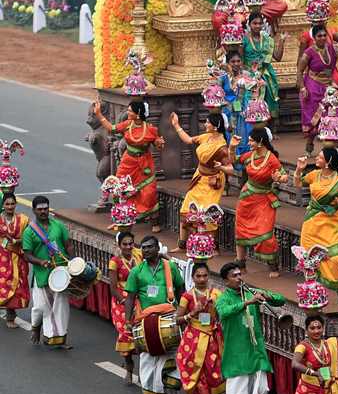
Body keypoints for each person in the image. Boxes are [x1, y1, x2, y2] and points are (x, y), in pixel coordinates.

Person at [216, 260, 283, 394]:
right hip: (236, 354)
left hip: (255, 352)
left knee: (261, 390)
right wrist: (247, 303)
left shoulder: (251, 292)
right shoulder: (224, 298)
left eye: (240, 275)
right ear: (226, 281)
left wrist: (267, 296)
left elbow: (281, 299)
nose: (239, 278)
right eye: (234, 276)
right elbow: (224, 313)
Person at [124, 235, 187, 394]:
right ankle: (150, 392)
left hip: (168, 317)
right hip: (147, 321)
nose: (145, 250)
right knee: (148, 357)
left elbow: (181, 289)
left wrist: (183, 313)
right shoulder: (136, 272)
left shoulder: (170, 267)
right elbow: (130, 297)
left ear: (157, 249)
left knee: (174, 356)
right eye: (143, 248)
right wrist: (128, 321)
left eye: (149, 247)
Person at [293, 147, 338, 304]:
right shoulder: (314, 175)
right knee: (309, 257)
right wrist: (298, 169)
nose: (316, 159)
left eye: (320, 157)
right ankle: (313, 291)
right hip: (312, 221)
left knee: (334, 257)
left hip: (331, 221)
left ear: (328, 161)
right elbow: (298, 184)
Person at [90, 100, 164, 231]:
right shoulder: (127, 125)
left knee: (148, 192)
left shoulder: (150, 129)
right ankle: (120, 219)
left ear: (138, 113)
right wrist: (99, 114)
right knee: (119, 190)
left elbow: (158, 144)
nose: (128, 112)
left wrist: (160, 143)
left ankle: (154, 222)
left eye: (130, 110)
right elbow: (111, 128)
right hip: (127, 162)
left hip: (144, 164)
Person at [223, 127, 288, 275]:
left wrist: (279, 179)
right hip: (247, 197)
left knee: (265, 233)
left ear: (260, 142)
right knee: (241, 230)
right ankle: (241, 264)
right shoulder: (250, 155)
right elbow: (234, 161)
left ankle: (273, 266)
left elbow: (284, 176)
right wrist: (232, 147)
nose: (249, 142)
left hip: (264, 199)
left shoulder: (271, 159)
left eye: (251, 140)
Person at [169, 111, 229, 252]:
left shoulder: (221, 146)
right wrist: (177, 125)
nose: (205, 124)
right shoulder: (206, 137)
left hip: (213, 182)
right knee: (186, 208)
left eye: (208, 122)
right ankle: (182, 245)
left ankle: (212, 247)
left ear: (215, 126)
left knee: (209, 213)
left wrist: (221, 167)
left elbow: (230, 167)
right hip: (199, 178)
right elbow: (189, 140)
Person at [175, 262, 225, 394]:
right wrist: (192, 313)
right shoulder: (187, 297)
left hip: (212, 340)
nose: (202, 279)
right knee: (197, 375)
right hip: (194, 341)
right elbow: (178, 320)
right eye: (198, 276)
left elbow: (224, 314)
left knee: (213, 375)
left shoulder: (217, 294)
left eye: (205, 275)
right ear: (193, 277)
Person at [22, 196, 71, 348]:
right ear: (34, 210)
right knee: (41, 307)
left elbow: (68, 245)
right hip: (42, 273)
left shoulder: (59, 226)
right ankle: (36, 326)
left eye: (46, 208)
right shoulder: (30, 231)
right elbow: (27, 254)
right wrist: (40, 262)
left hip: (60, 272)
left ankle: (60, 338)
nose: (43, 211)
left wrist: (72, 262)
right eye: (40, 209)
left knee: (61, 305)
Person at [298, 23, 338, 154]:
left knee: (337, 111)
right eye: (319, 36)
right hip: (313, 86)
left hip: (329, 85)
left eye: (324, 35)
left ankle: (333, 143)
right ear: (314, 38)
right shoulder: (308, 52)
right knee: (315, 118)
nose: (322, 38)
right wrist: (302, 88)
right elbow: (299, 71)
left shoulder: (333, 48)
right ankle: (310, 142)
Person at [108, 230, 142, 384]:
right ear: (119, 245)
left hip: (139, 298)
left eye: (131, 244)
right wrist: (125, 301)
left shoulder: (139, 257)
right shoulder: (115, 261)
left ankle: (144, 371)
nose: (128, 247)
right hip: (122, 301)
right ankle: (129, 367)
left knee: (142, 335)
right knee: (125, 334)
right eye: (125, 244)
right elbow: (113, 288)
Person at [243, 12, 284, 120]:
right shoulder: (244, 39)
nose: (257, 26)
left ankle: (272, 129)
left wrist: (282, 41)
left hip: (266, 73)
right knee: (250, 99)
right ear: (249, 24)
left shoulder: (267, 39)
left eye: (260, 23)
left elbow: (278, 57)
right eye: (254, 23)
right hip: (250, 75)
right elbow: (241, 59)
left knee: (270, 98)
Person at [0, 191, 29, 329]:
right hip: (2, 258)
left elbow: (29, 238)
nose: (10, 207)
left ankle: (10, 315)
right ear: (3, 205)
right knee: (4, 285)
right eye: (7, 204)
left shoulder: (23, 220)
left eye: (12, 204)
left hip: (17, 257)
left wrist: (18, 241)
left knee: (16, 286)